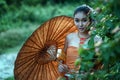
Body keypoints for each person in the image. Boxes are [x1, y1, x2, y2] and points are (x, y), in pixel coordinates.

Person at [57, 4, 102, 79]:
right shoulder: (69, 37)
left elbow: (99, 64)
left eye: (84, 20)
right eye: (77, 20)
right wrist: (60, 66)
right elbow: (61, 57)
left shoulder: (97, 40)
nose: (80, 24)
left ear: (90, 20)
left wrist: (85, 75)